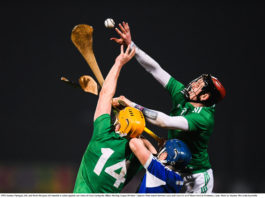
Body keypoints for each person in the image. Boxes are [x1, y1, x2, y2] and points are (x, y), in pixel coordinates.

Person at [111, 22, 226, 193]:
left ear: (204, 97)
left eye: (198, 86)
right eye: (197, 81)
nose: (193, 84)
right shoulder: (182, 94)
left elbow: (165, 122)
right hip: (173, 168)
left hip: (196, 177)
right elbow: (155, 69)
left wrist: (131, 104)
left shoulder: (204, 118)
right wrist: (132, 45)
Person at [73, 45, 147, 193]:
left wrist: (118, 63)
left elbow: (105, 94)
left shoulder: (103, 136)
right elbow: (147, 147)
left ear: (119, 127)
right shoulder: (138, 156)